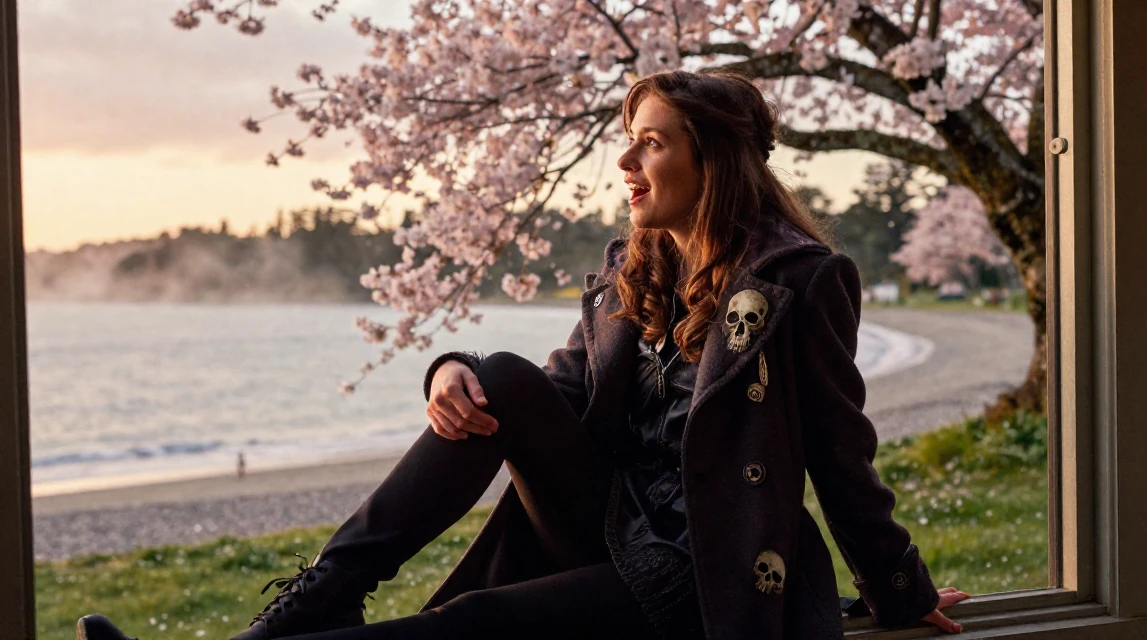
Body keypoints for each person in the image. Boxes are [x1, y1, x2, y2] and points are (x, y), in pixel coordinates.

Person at [77, 69, 969, 640]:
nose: (624, 160)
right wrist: (446, 375)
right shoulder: (635, 267)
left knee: (480, 621)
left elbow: (842, 457)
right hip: (612, 517)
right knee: (494, 371)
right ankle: (324, 593)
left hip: (709, 568)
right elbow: (554, 394)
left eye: (650, 142)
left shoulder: (804, 281)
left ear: (717, 157)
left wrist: (898, 586)